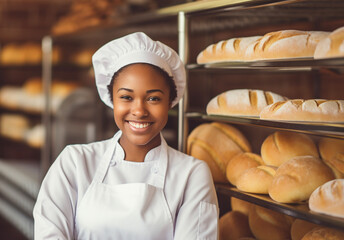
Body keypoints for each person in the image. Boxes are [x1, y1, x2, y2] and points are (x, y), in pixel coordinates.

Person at [33, 32, 219, 239]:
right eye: (126, 97)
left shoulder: (191, 175)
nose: (139, 110)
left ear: (171, 102)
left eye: (154, 98)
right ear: (112, 99)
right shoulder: (75, 162)